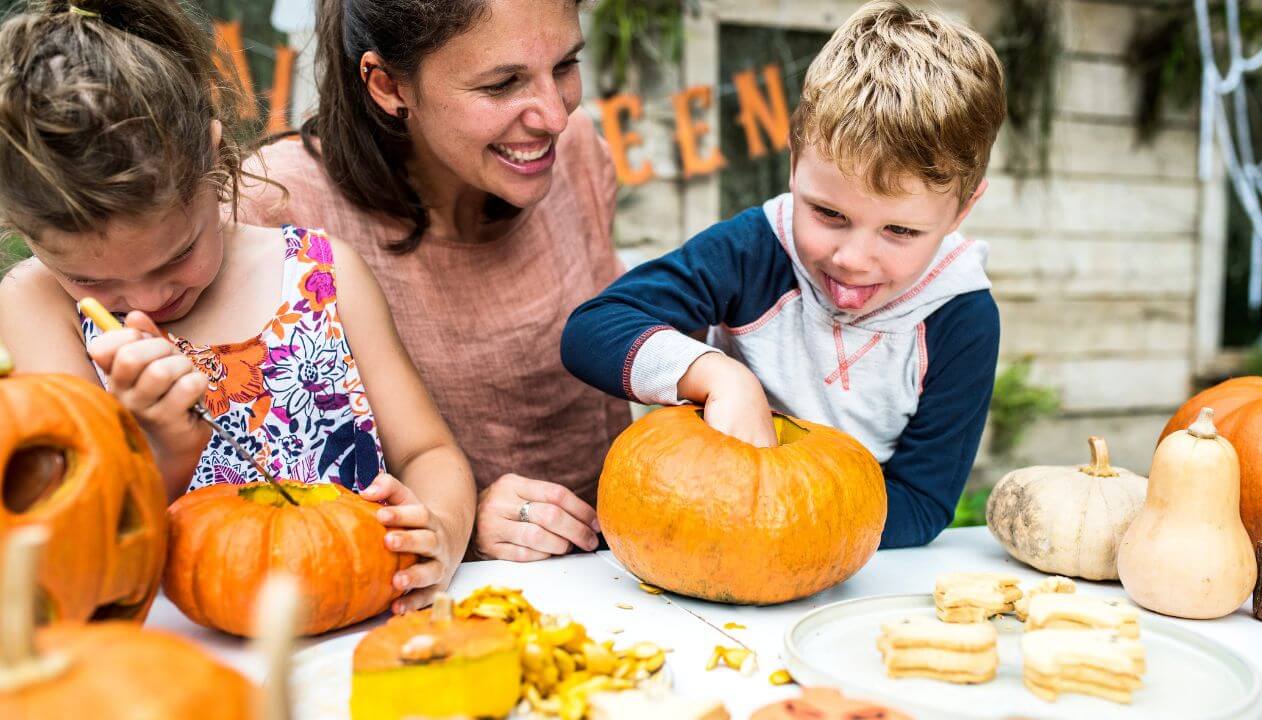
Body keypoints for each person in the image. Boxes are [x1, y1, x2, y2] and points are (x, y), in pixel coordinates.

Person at [0, 0, 473, 612]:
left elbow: (427, 453)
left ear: (215, 159)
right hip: (174, 667)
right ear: (28, 236)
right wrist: (161, 447)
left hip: (360, 627)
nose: (145, 300)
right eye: (87, 279)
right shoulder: (37, 307)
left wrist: (438, 526)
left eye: (176, 256)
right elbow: (72, 546)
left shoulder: (321, 275)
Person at [561, 0, 1006, 548]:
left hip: (836, 562)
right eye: (829, 214)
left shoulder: (962, 318)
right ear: (795, 163)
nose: (852, 258)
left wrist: (779, 523)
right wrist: (720, 375)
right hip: (703, 526)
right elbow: (594, 329)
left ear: (962, 211)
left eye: (900, 232)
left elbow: (922, 503)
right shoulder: (755, 250)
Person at [239, 0, 629, 562]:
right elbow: (247, 495)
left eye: (565, 66)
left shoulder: (578, 151)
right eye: (502, 84)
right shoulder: (275, 207)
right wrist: (453, 522)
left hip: (619, 583)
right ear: (389, 84)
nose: (555, 116)